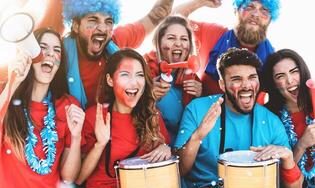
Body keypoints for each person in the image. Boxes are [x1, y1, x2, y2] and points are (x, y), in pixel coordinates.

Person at [174, 47, 303, 188]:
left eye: (252, 77)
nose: (247, 85)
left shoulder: (271, 121)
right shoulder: (197, 109)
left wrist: (288, 158)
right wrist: (198, 135)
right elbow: (179, 171)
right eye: (237, 79)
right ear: (222, 85)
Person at [0, 27, 85, 188]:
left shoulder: (67, 105)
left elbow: (69, 178)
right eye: (42, 48)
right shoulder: (5, 98)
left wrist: (76, 137)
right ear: (29, 55)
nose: (50, 54)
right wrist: (13, 84)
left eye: (57, 50)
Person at [75, 48, 171, 188]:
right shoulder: (95, 115)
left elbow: (168, 158)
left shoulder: (152, 114)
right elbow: (79, 178)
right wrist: (100, 144)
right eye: (125, 75)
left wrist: (166, 148)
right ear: (110, 80)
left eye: (139, 75)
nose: (134, 82)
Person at [61, 0, 174, 109]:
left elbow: (155, 17)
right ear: (76, 25)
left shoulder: (115, 41)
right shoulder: (58, 54)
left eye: (108, 22)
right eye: (93, 20)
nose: (102, 28)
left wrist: (145, 92)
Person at [173, 0, 279, 96]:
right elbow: (170, 21)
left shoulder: (274, 60)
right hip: (203, 112)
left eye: (264, 10)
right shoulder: (214, 34)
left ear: (270, 19)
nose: (255, 14)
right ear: (236, 11)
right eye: (249, 7)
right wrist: (201, 2)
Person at [263, 49, 315, 188]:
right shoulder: (268, 118)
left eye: (294, 72)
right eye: (280, 76)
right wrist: (301, 145)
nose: (290, 80)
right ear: (273, 84)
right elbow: (275, 176)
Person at [144, 15, 202, 146]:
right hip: (152, 148)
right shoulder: (142, 71)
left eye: (184, 39)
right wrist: (145, 93)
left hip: (183, 149)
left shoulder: (193, 77)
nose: (178, 43)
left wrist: (200, 98)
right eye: (171, 38)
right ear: (158, 42)